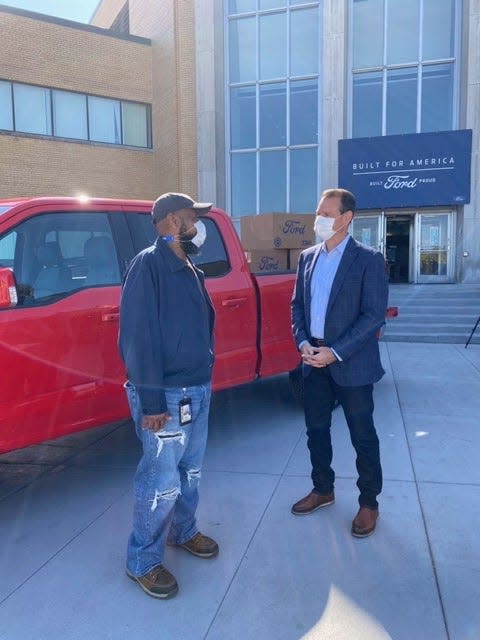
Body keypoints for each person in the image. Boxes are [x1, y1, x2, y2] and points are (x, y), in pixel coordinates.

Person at [118, 192, 218, 599]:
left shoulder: (189, 265)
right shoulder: (149, 265)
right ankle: (142, 560)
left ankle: (183, 530)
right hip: (167, 396)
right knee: (160, 481)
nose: (198, 226)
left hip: (197, 388)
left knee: (189, 473)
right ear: (174, 221)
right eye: (194, 218)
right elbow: (137, 339)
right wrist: (153, 403)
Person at [290, 188, 388, 537]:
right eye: (319, 212)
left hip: (351, 363)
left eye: (328, 213)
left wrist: (336, 351)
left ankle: (369, 503)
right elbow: (297, 306)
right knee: (316, 430)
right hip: (312, 359)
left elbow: (373, 316)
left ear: (347, 218)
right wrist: (302, 342)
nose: (320, 219)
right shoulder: (307, 257)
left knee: (362, 436)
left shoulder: (368, 259)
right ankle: (323, 489)